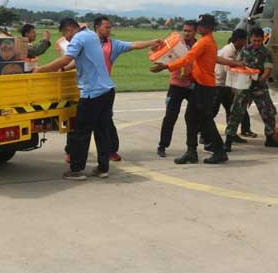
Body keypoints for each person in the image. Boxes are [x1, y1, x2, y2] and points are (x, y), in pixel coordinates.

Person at [151, 14, 239, 165]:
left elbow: (188, 58)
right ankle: (191, 151)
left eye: (201, 25)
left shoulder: (203, 42)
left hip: (204, 86)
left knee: (205, 120)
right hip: (201, 85)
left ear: (209, 27)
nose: (198, 28)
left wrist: (167, 66)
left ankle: (219, 151)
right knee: (191, 117)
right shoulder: (208, 41)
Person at [36, 18, 114, 180]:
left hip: (92, 93)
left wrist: (41, 69)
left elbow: (66, 58)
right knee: (102, 131)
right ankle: (103, 168)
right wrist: (64, 69)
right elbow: (81, 61)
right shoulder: (91, 35)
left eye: (65, 35)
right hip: (107, 90)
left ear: (69, 29)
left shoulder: (78, 38)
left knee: (81, 133)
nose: (66, 39)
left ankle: (76, 170)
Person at [94, 15, 162, 162]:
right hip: (86, 88)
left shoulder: (113, 45)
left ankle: (111, 150)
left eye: (110, 27)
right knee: (82, 123)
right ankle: (73, 152)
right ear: (97, 27)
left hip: (104, 89)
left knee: (106, 121)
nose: (109, 30)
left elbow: (134, 45)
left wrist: (151, 42)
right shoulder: (86, 42)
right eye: (106, 27)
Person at [224, 27, 278, 151]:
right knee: (236, 112)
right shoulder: (245, 50)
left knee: (268, 112)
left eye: (259, 41)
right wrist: (234, 84)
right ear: (250, 39)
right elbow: (238, 65)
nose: (256, 43)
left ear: (263, 39)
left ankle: (270, 138)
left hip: (259, 86)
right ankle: (229, 140)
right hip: (244, 85)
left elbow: (267, 70)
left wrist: (261, 78)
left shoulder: (266, 52)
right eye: (254, 41)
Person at [157, 21, 197, 158]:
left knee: (195, 116)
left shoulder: (199, 45)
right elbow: (161, 51)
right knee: (170, 116)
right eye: (184, 30)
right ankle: (162, 145)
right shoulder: (176, 44)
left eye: (189, 31)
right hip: (176, 85)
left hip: (192, 84)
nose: (186, 33)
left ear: (195, 32)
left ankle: (193, 147)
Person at [213, 29, 254, 141]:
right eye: (245, 40)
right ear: (239, 40)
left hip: (225, 84)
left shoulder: (236, 50)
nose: (245, 43)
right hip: (219, 84)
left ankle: (231, 134)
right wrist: (234, 86)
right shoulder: (229, 50)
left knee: (231, 110)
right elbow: (227, 69)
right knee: (213, 110)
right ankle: (204, 134)